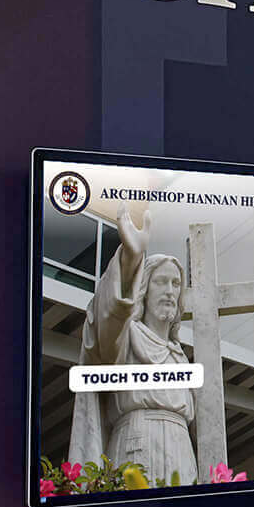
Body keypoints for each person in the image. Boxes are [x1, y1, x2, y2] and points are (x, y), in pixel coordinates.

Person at [66, 203, 198, 485]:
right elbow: (106, 317)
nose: (170, 291)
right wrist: (131, 259)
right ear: (145, 289)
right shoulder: (125, 336)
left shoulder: (180, 357)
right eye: (161, 282)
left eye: (176, 284)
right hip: (136, 444)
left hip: (181, 452)